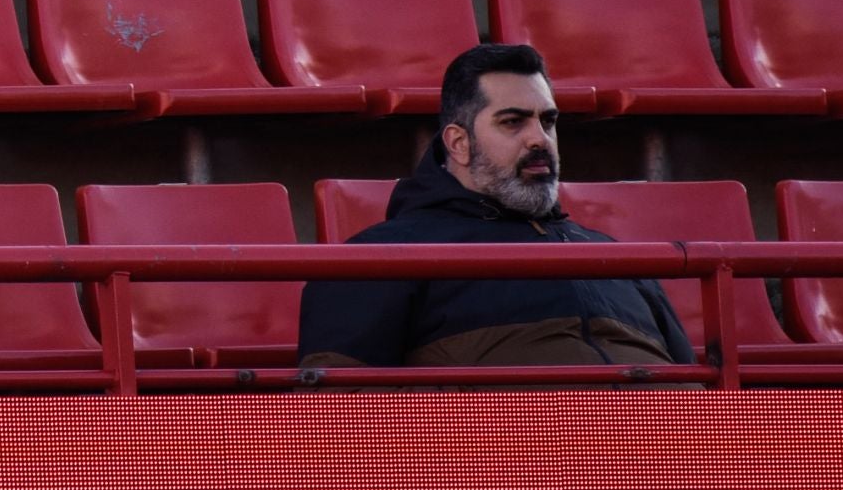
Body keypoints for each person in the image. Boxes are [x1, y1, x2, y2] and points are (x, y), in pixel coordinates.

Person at [298, 44, 695, 370]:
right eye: (513, 122)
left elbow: (696, 385)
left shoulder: (616, 257)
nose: (540, 140)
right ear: (458, 143)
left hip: (663, 450)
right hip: (505, 455)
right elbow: (336, 416)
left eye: (548, 121)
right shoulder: (382, 257)